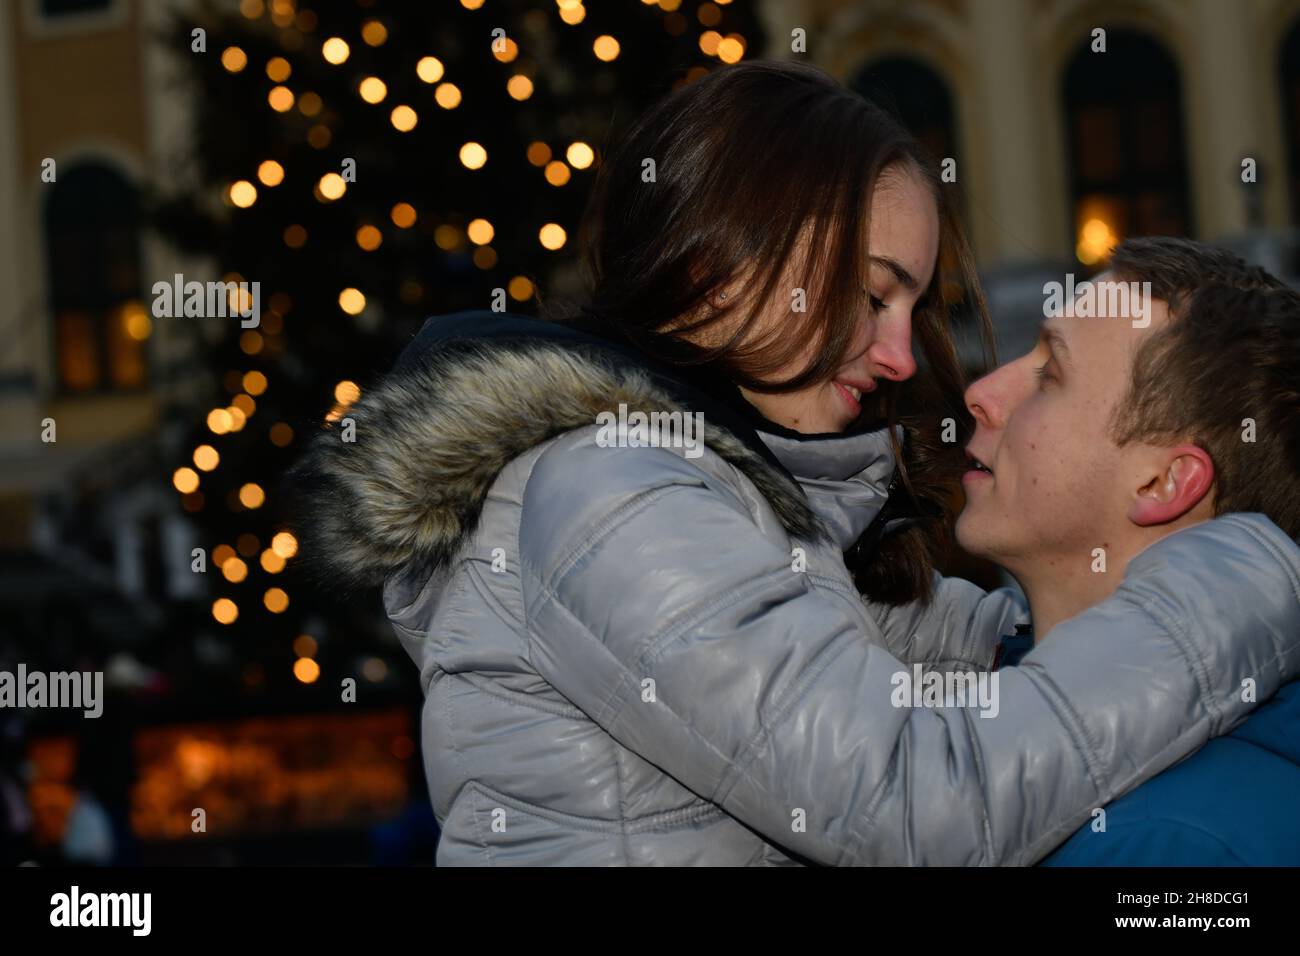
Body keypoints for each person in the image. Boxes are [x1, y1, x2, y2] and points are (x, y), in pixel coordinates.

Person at [294, 61, 1300, 865]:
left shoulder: (726, 500)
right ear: (722, 262)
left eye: (911, 308)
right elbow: (911, 801)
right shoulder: (611, 488)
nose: (907, 358)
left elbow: (928, 657)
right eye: (872, 296)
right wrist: (1236, 582)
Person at [953, 236, 1300, 865]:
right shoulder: (1000, 706)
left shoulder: (1169, 847)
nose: (983, 391)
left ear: (1162, 483)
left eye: (1050, 374)